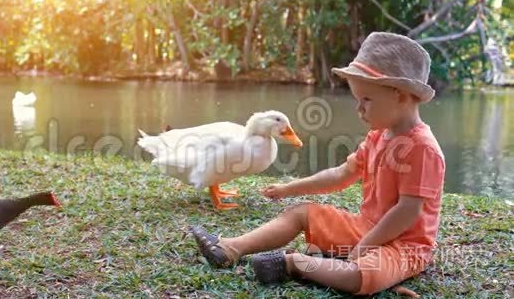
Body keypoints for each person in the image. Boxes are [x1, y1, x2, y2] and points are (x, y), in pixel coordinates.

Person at [190, 32, 445, 295]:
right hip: (366, 227)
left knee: (360, 276)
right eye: (358, 101)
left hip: (404, 246)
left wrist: (367, 245)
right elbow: (342, 174)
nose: (359, 110)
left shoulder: (423, 149)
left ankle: (294, 264)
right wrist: (290, 189)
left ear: (400, 96)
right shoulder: (378, 136)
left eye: (366, 100)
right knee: (302, 213)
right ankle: (230, 248)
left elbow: (407, 212)